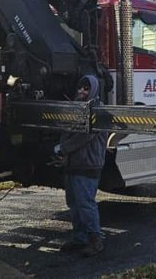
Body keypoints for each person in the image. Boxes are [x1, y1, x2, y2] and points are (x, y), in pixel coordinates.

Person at [55, 76, 108, 257]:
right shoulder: (76, 109)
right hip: (73, 165)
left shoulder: (98, 112)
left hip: (88, 165)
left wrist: (63, 149)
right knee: (74, 204)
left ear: (93, 90)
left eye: (86, 89)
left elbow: (84, 137)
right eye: (80, 88)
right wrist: (63, 154)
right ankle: (79, 239)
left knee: (86, 204)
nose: (82, 92)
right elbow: (66, 132)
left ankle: (95, 241)